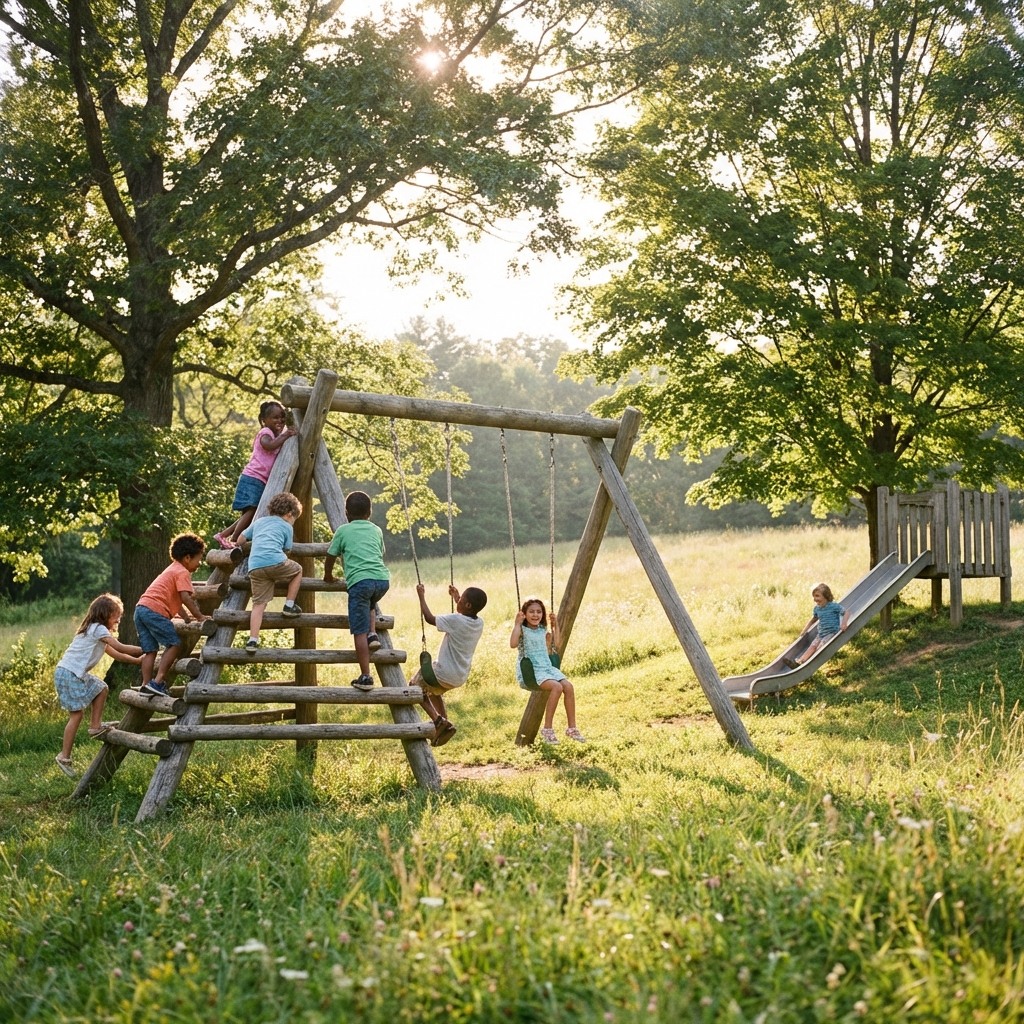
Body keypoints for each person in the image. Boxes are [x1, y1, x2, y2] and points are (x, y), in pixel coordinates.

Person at [53, 594, 144, 777]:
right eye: (116, 615)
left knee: (101, 688)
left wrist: (137, 661)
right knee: (76, 715)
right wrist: (146, 649)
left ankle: (95, 726)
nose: (119, 619)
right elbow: (121, 648)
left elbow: (117, 655)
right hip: (68, 673)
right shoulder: (98, 629)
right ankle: (64, 756)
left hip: (72, 673)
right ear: (104, 614)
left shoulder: (96, 632)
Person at [324, 491, 390, 691]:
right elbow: (380, 552)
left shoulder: (343, 531)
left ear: (346, 513)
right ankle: (373, 635)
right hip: (382, 580)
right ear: (370, 512)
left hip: (360, 583)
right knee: (369, 602)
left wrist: (328, 575)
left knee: (357, 630)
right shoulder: (376, 530)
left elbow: (330, 555)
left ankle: (366, 677)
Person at [411, 582, 488, 747]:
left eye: (461, 600)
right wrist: (456, 597)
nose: (458, 601)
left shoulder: (455, 620)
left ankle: (438, 720)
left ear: (468, 605)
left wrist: (421, 596)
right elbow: (465, 612)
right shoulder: (478, 623)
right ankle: (446, 725)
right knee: (434, 692)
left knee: (415, 686)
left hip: (443, 673)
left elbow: (430, 618)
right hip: (459, 677)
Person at [135, 533, 210, 697]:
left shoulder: (171, 569)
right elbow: (185, 597)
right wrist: (199, 616)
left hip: (141, 609)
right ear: (187, 558)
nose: (199, 563)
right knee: (174, 643)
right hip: (154, 611)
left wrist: (185, 617)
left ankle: (146, 685)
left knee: (150, 650)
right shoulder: (182, 572)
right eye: (199, 559)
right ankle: (158, 681)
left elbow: (174, 599)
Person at [215, 401, 297, 549]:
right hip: (253, 478)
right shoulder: (265, 433)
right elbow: (268, 445)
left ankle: (223, 535)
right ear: (263, 421)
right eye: (275, 417)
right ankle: (233, 540)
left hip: (260, 480)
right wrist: (286, 435)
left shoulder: (277, 435)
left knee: (250, 514)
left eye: (282, 416)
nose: (280, 420)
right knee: (251, 510)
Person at [509, 598, 585, 743]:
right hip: (532, 670)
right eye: (531, 612)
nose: (535, 615)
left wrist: (555, 626)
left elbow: (557, 644)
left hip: (547, 667)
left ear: (542, 614)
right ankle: (547, 728)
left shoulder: (543, 630)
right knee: (557, 687)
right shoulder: (522, 630)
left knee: (568, 686)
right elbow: (513, 644)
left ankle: (572, 728)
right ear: (524, 614)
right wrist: (517, 624)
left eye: (539, 612)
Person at [241, 491, 304, 651]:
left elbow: (241, 539)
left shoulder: (259, 522)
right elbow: (287, 549)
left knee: (258, 605)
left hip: (255, 566)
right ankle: (289, 605)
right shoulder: (286, 526)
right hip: (275, 562)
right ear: (290, 514)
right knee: (298, 570)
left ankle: (252, 641)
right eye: (294, 519)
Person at [783, 583, 852, 669]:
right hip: (821, 634)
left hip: (831, 632)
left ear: (825, 596)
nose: (815, 599)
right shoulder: (817, 609)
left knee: (819, 648)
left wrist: (844, 623)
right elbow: (813, 620)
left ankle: (809, 664)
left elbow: (846, 612)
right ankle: (799, 662)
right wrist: (805, 630)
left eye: (817, 596)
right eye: (814, 596)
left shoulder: (833, 606)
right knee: (812, 646)